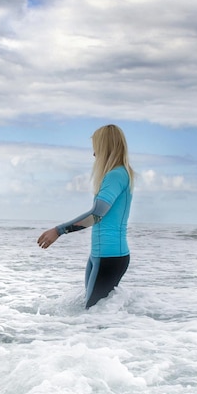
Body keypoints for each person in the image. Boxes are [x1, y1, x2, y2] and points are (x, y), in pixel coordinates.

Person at [36, 124, 134, 308]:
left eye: (97, 148)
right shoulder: (118, 174)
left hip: (109, 256)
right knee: (90, 315)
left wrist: (59, 231)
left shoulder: (116, 176)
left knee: (92, 317)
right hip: (101, 255)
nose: (94, 154)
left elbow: (97, 214)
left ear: (106, 148)